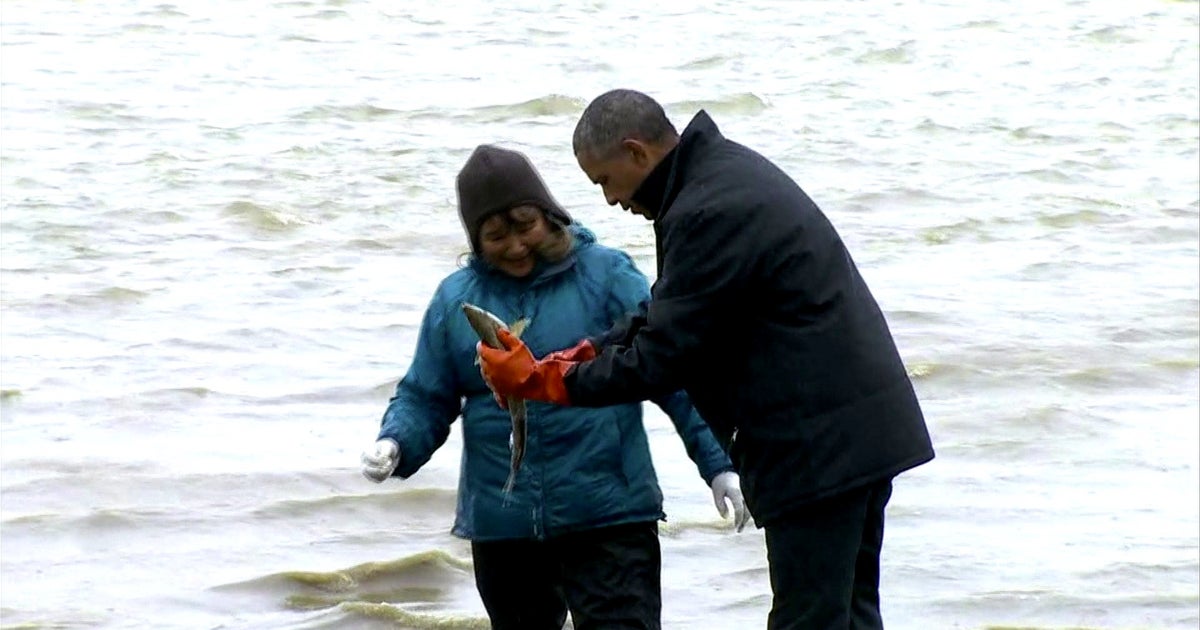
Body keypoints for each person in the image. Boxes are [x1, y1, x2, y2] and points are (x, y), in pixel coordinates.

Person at [476, 90, 936, 630]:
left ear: (636, 152)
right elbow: (676, 309)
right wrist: (587, 351)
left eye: (604, 181)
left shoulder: (706, 209)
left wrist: (547, 381)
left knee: (808, 619)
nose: (607, 201)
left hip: (816, 449)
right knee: (848, 615)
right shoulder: (718, 177)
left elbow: (664, 356)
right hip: (854, 434)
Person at [360, 143, 746, 630]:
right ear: (476, 242)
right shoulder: (456, 301)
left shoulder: (608, 275)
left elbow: (676, 375)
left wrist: (720, 464)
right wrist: (395, 441)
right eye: (496, 236)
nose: (516, 246)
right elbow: (425, 394)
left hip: (608, 516)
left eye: (526, 226)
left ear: (550, 215)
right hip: (504, 528)